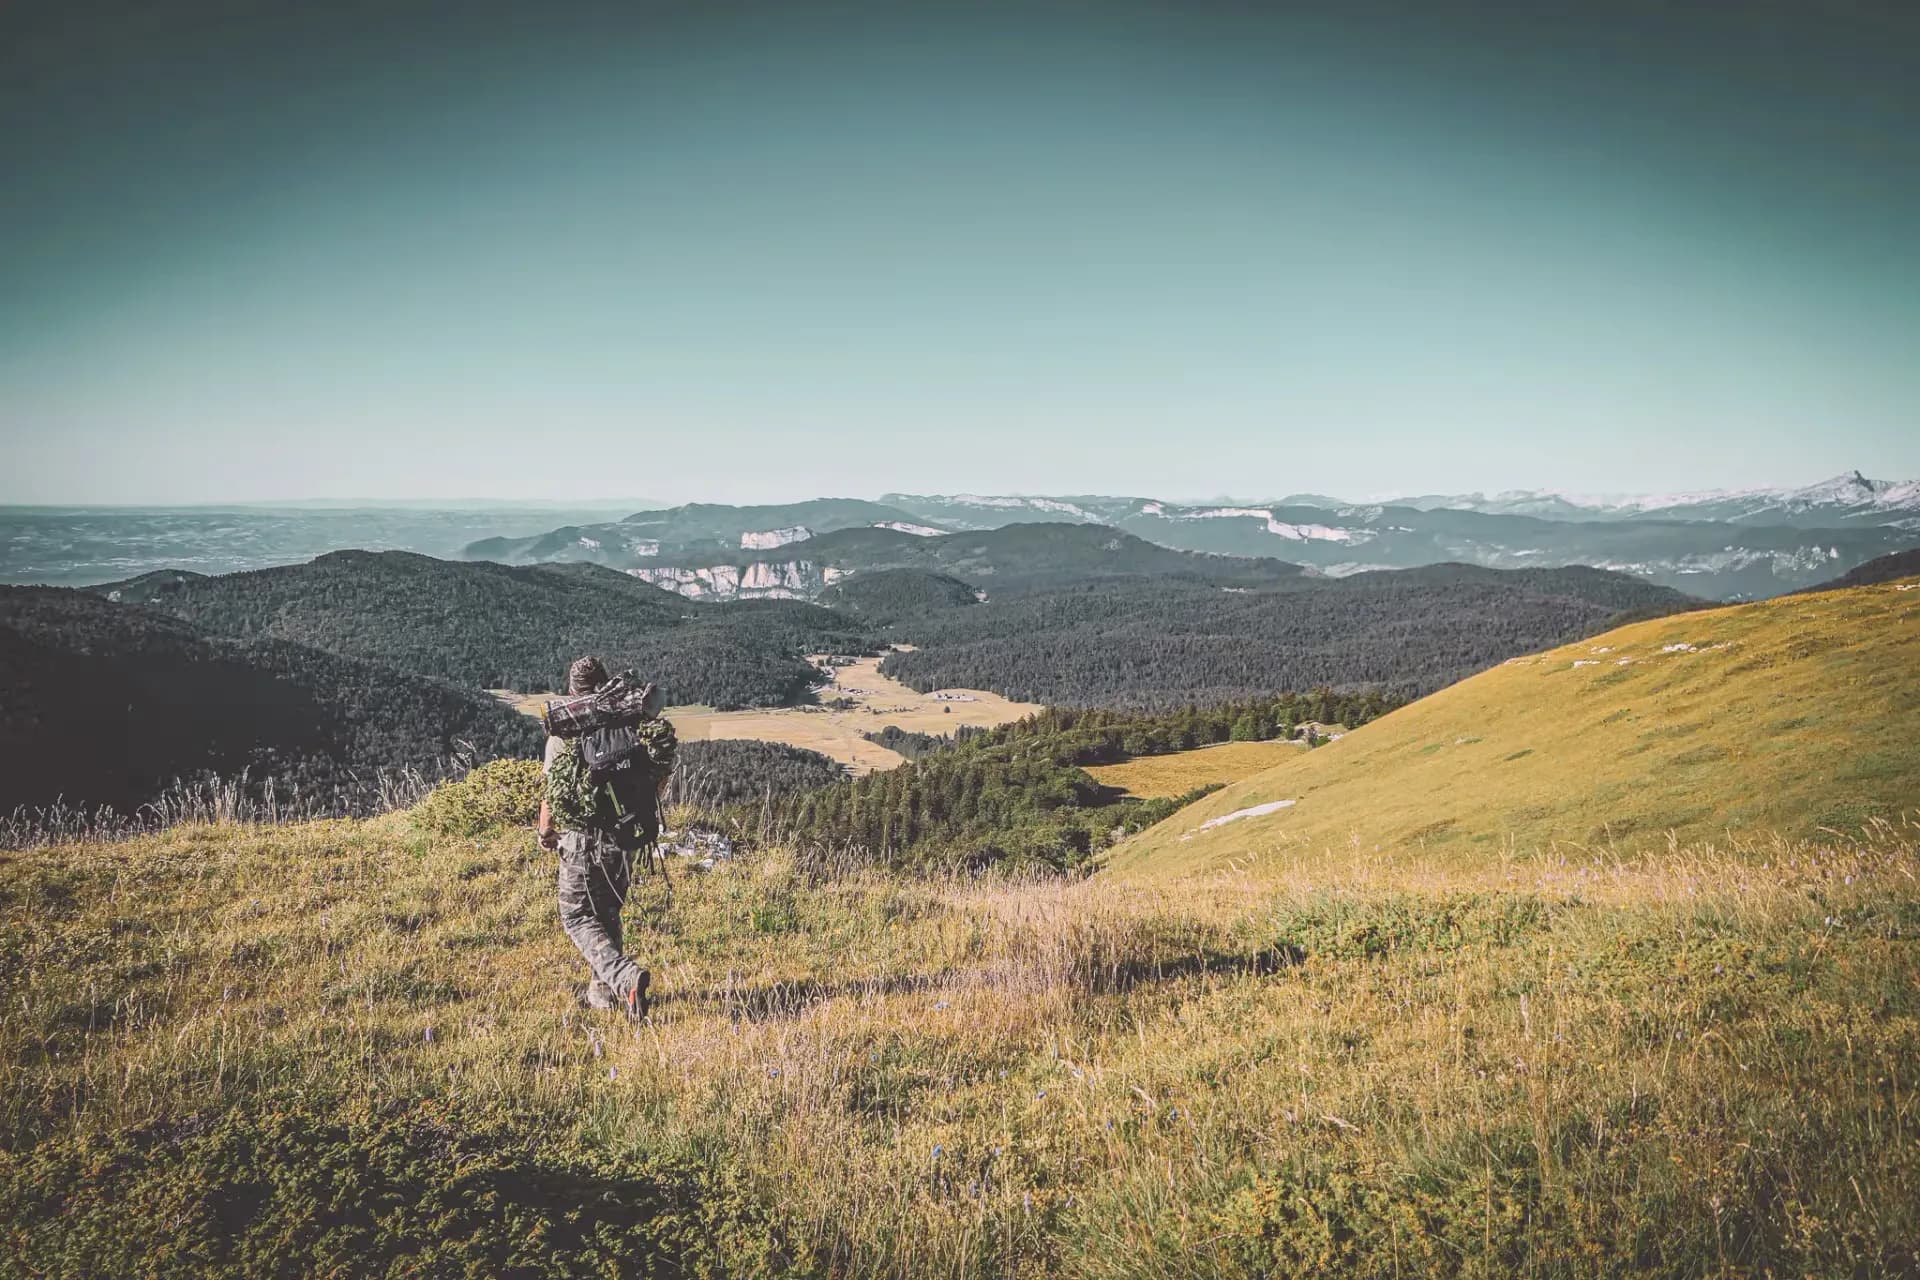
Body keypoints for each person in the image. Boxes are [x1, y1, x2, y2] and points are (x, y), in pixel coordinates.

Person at [537, 655, 677, 1019]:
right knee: (608, 911)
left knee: (577, 915)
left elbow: (553, 791)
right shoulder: (632, 725)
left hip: (583, 839)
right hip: (626, 835)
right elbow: (658, 777)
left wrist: (545, 830)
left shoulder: (565, 733)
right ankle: (604, 993)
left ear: (573, 693)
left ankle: (623, 977)